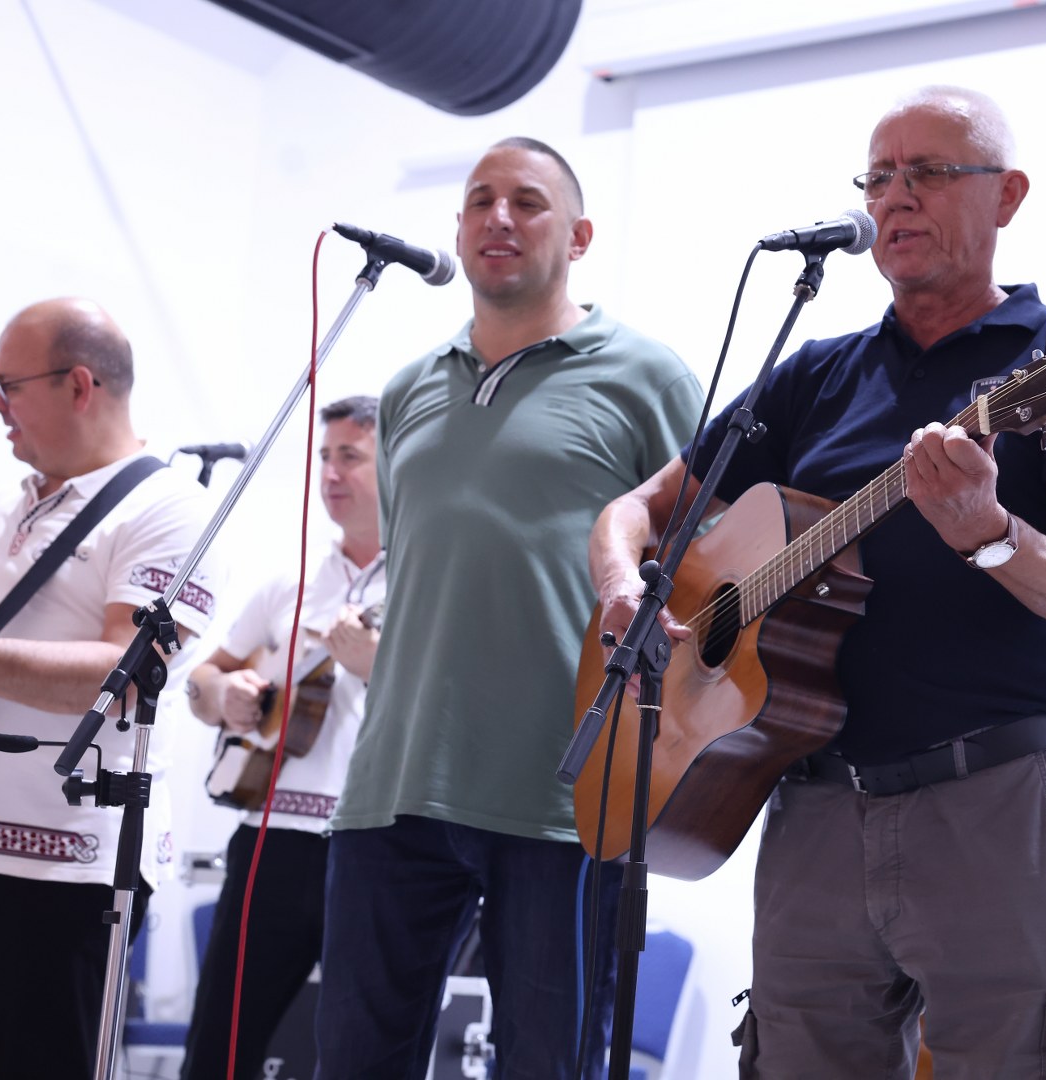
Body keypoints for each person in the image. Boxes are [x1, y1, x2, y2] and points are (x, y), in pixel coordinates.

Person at [589, 86, 1046, 1079]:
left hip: (999, 798)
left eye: (927, 171)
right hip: (814, 801)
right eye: (879, 177)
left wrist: (989, 534)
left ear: (1008, 195)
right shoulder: (816, 374)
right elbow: (638, 510)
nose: (895, 196)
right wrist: (621, 587)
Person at [313, 137, 703, 1079]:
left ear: (580, 235)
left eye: (527, 201)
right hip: (394, 783)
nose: (498, 217)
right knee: (354, 1063)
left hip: (563, 792)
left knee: (547, 1065)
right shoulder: (406, 390)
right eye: (480, 200)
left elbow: (705, 561)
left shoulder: (648, 377)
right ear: (457, 229)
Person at [0, 298, 220, 1080]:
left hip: (69, 871)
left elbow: (124, 674)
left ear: (79, 385)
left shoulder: (172, 510)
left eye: (8, 385)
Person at [180, 395, 385, 1080]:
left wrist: (377, 665)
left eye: (350, 456)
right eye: (324, 457)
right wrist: (225, 697)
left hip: (376, 847)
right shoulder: (288, 583)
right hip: (270, 842)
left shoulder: (428, 584)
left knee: (364, 1053)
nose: (330, 473)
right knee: (220, 1045)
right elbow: (203, 677)